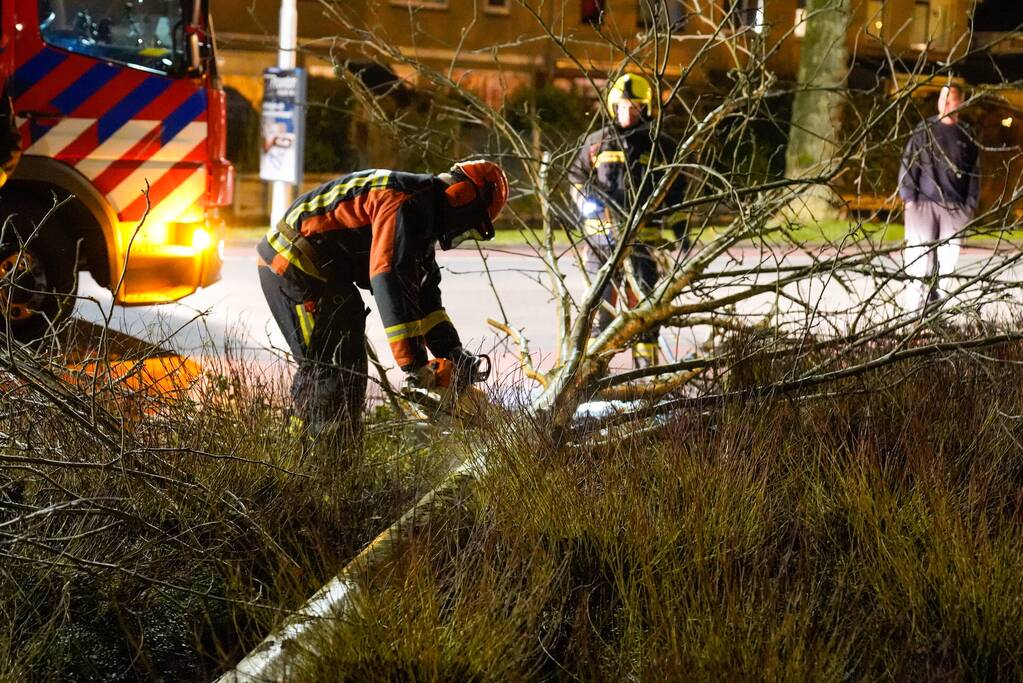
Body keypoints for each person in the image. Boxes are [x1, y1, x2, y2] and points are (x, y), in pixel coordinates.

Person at [257, 160, 509, 447]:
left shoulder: (420, 220)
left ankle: (341, 459)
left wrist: (452, 352)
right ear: (461, 196)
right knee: (328, 367)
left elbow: (425, 299)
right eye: (468, 227)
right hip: (291, 263)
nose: (461, 234)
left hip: (323, 271)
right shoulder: (404, 203)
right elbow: (388, 275)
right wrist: (416, 367)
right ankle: (302, 464)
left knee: (349, 361)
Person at [568, 73, 686, 368]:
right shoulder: (597, 144)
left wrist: (681, 232)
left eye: (634, 107)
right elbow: (576, 176)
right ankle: (594, 378)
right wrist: (585, 202)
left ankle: (647, 377)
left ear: (644, 108)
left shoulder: (659, 145)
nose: (627, 112)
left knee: (645, 314)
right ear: (612, 106)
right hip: (601, 245)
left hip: (643, 247)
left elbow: (677, 190)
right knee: (600, 313)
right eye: (622, 106)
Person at [898, 83, 980, 311]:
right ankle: (912, 316)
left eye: (950, 99)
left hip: (954, 208)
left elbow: (974, 173)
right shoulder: (924, 130)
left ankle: (939, 314)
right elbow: (909, 163)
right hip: (922, 205)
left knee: (947, 266)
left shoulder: (967, 134)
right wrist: (909, 200)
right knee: (918, 262)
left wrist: (968, 207)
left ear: (959, 103)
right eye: (943, 98)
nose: (945, 104)